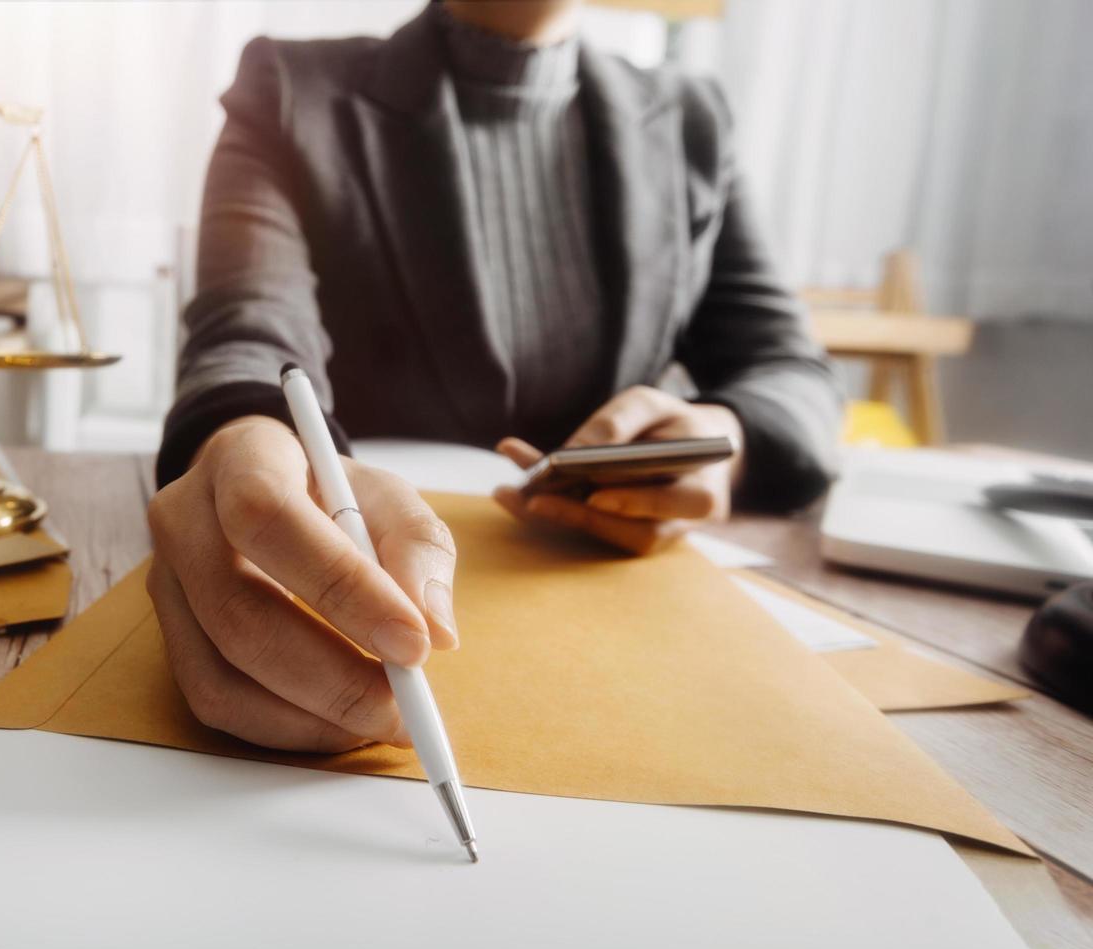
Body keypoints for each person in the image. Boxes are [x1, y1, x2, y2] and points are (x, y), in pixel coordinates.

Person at [146, 0, 842, 753]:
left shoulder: (692, 115)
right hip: (345, 597)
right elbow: (248, 328)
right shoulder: (289, 90)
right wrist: (244, 435)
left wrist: (722, 436)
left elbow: (789, 370)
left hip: (631, 634)